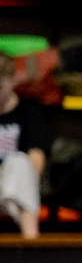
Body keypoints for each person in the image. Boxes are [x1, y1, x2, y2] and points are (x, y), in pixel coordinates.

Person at [0, 56, 54, 238]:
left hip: (17, 185)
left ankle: (30, 240)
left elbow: (35, 165)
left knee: (19, 162)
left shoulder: (29, 114)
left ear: (13, 80)